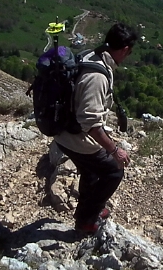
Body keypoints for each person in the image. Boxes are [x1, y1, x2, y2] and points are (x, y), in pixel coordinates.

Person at [52, 22, 138, 234]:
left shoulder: (92, 55)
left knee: (90, 172)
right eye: (129, 52)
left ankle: (88, 213)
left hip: (63, 131)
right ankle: (86, 220)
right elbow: (89, 123)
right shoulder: (97, 77)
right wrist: (114, 150)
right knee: (114, 171)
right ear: (125, 49)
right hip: (75, 137)